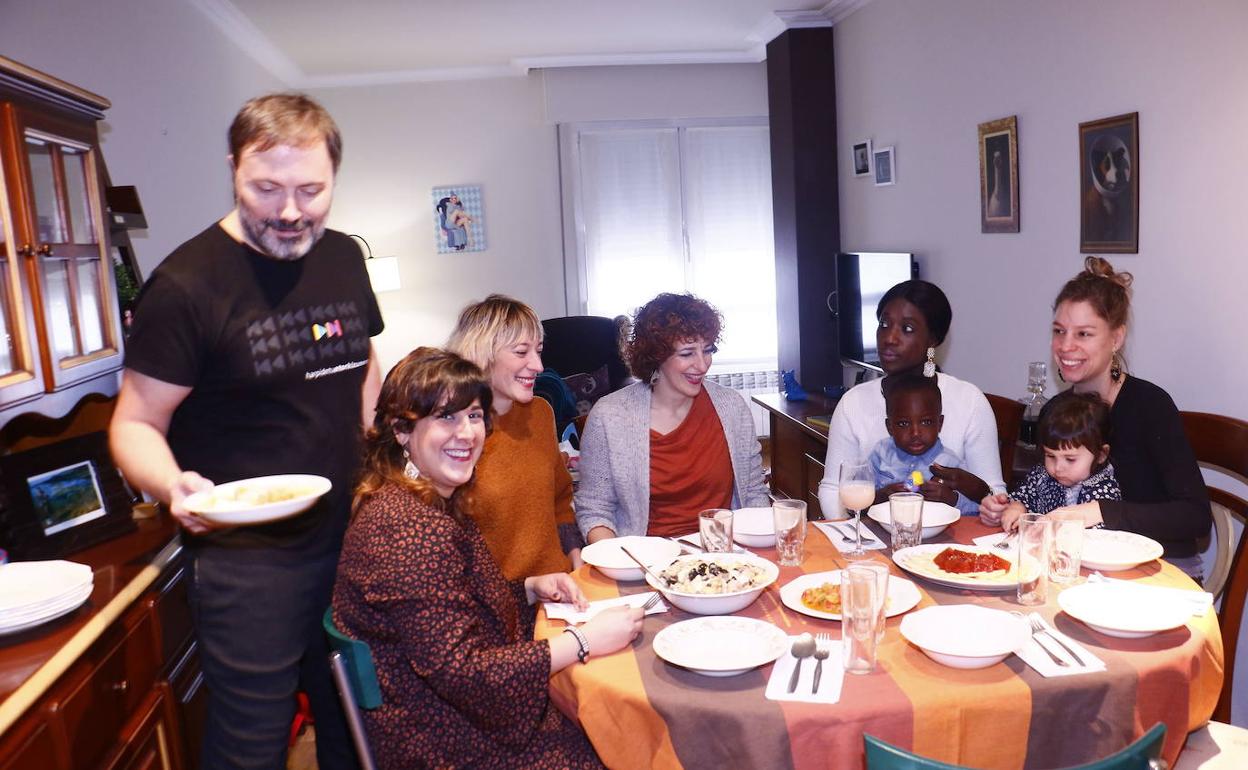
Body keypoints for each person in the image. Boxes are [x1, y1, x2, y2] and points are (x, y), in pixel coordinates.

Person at [109, 93, 383, 769]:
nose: (291, 212)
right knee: (250, 746)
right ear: (233, 169)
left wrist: (390, 464)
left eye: (310, 190)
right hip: (249, 559)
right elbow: (134, 423)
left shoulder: (345, 257)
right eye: (266, 188)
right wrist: (173, 486)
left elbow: (364, 362)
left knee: (357, 718)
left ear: (333, 179)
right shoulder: (186, 286)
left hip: (352, 535)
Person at [332, 347, 642, 769]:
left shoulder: (424, 501)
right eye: (446, 417)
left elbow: (453, 614)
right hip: (445, 742)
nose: (466, 433)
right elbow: (465, 673)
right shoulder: (409, 528)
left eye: (474, 416)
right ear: (402, 430)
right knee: (621, 744)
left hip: (450, 717)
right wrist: (585, 641)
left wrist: (530, 589)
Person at [980, 257, 1211, 578]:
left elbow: (1195, 517)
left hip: (1158, 573)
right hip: (1076, 568)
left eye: (1084, 334)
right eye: (1059, 331)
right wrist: (1010, 508)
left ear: (1116, 338)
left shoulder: (1150, 406)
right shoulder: (1056, 411)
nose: (1066, 346)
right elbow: (1042, 490)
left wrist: (1095, 511)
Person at [575, 293, 769, 543]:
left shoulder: (732, 408)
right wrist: (618, 561)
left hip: (724, 558)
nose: (702, 365)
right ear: (657, 356)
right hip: (644, 562)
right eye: (687, 353)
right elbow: (594, 510)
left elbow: (754, 494)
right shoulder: (609, 416)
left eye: (707, 350)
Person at [818, 280, 1005, 517]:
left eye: (907, 328)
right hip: (872, 539)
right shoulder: (853, 403)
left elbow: (995, 495)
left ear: (932, 340)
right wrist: (851, 533)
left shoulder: (970, 402)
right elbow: (833, 488)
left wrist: (965, 489)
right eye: (884, 324)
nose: (890, 338)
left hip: (951, 542)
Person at [445, 294, 582, 580]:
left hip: (560, 588)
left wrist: (576, 560)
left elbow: (560, 498)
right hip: (500, 607)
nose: (538, 366)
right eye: (522, 352)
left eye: (539, 351)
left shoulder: (541, 412)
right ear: (482, 356)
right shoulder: (455, 436)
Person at [997, 390, 1121, 531]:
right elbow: (1022, 497)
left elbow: (1096, 539)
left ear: (1101, 455)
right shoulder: (1041, 474)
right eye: (1050, 456)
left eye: (1070, 459)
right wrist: (1016, 508)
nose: (1058, 467)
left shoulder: (1104, 492)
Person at [868, 373, 983, 515]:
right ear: (889, 427)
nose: (915, 433)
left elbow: (977, 511)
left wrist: (951, 499)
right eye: (903, 423)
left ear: (939, 423)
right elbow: (855, 503)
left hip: (934, 535)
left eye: (926, 422)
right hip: (882, 531)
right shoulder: (881, 453)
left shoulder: (949, 464)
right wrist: (881, 496)